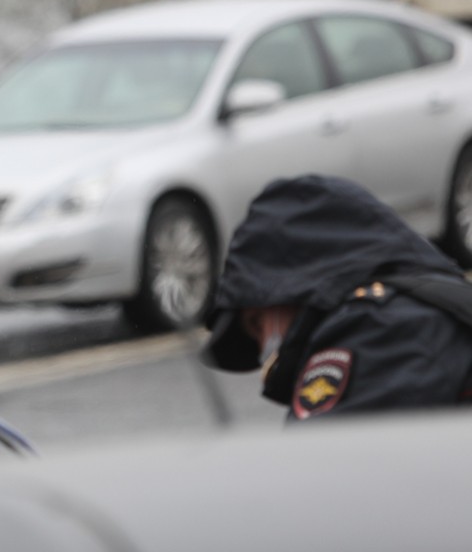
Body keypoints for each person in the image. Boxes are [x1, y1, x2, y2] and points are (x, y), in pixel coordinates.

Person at [202, 174, 472, 420]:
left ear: (290, 287)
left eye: (257, 324)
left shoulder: (380, 328)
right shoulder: (437, 303)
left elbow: (320, 465)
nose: (264, 348)